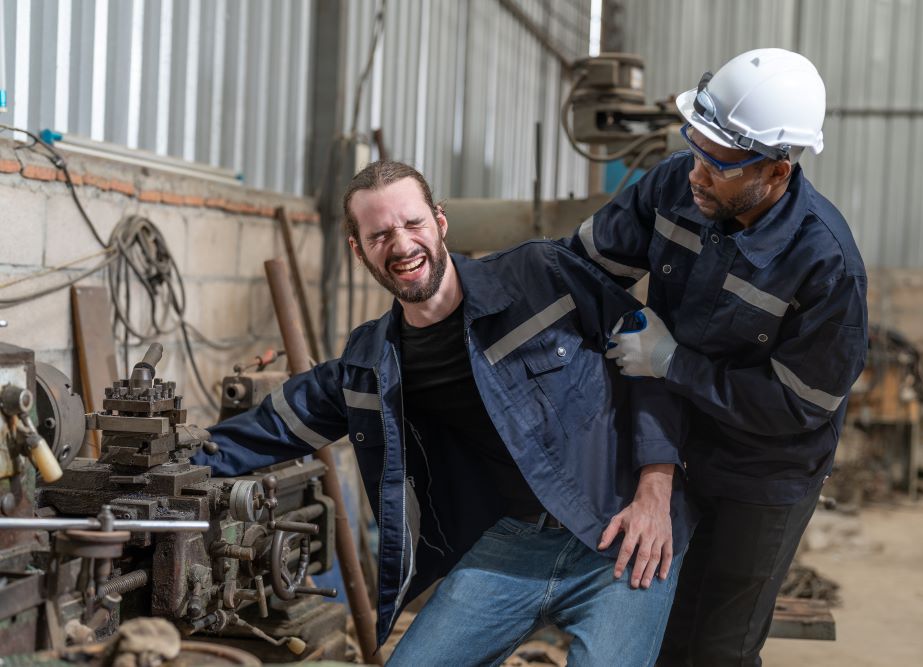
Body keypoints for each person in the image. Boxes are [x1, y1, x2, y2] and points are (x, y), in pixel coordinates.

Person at [194, 160, 694, 665]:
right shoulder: (372, 364)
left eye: (413, 224)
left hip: (623, 527)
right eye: (380, 234)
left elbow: (648, 369)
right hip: (512, 546)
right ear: (358, 249)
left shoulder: (541, 275)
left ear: (439, 221)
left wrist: (656, 490)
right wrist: (170, 463)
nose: (402, 245)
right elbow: (271, 426)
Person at [564, 48, 868, 666]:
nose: (697, 174)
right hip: (678, 440)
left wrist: (673, 361)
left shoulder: (826, 265)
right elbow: (581, 270)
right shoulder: (676, 184)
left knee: (718, 646)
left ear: (778, 172)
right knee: (657, 622)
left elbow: (795, 407)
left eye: (721, 164)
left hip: (767, 468)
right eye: (695, 147)